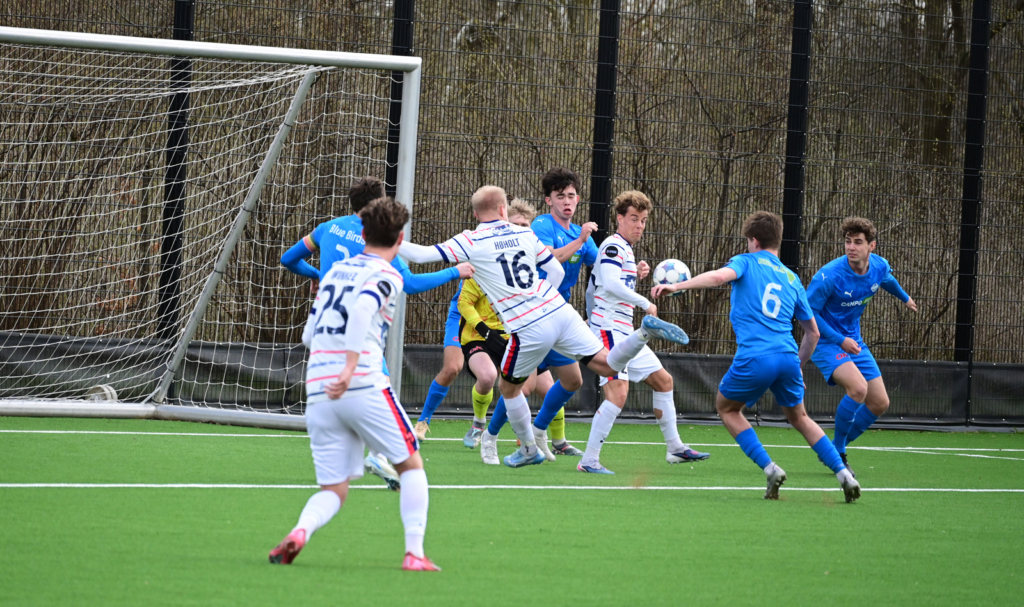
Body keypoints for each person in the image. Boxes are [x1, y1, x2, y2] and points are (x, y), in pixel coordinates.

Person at [399, 185, 691, 468]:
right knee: (607, 365)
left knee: (509, 387)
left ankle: (528, 449)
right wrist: (541, 298)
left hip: (528, 326)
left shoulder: (470, 240)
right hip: (560, 311)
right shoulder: (524, 233)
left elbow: (420, 255)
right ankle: (642, 333)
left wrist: (388, 239)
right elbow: (555, 270)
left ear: (476, 215)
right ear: (503, 210)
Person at [269, 197, 440, 571]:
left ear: (362, 233)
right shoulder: (389, 274)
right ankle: (414, 554)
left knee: (334, 489)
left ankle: (300, 531)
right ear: (400, 240)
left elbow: (308, 336)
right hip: (360, 382)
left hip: (318, 386)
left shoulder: (333, 273)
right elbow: (363, 308)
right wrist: (349, 367)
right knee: (411, 465)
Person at [652, 211, 861, 502]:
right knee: (800, 417)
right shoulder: (792, 278)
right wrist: (799, 365)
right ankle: (843, 474)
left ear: (753, 240)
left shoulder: (745, 262)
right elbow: (813, 333)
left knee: (727, 408)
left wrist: (677, 286)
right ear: (777, 241)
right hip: (787, 356)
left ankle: (770, 468)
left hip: (755, 357)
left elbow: (718, 277)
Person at [280, 176, 473, 490]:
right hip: (362, 328)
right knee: (378, 390)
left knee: (354, 395)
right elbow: (410, 284)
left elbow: (288, 259)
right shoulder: (379, 239)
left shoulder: (327, 228)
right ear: (379, 204)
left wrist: (318, 275)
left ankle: (361, 461)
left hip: (325, 326)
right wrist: (455, 271)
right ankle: (383, 457)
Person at [578, 191, 710, 474]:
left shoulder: (624, 249)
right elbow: (610, 284)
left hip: (624, 332)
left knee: (664, 381)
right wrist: (645, 302)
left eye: (643, 220)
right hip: (609, 331)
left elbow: (600, 285)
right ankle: (588, 460)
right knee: (618, 394)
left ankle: (675, 448)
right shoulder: (613, 246)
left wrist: (635, 273)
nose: (639, 225)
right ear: (620, 218)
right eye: (634, 219)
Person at [480, 169, 595, 463]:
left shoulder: (579, 232)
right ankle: (490, 437)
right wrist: (580, 241)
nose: (566, 201)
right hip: (531, 318)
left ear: (578, 199)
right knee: (523, 386)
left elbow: (601, 264)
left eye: (571, 196)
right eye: (560, 196)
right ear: (549, 200)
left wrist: (631, 268)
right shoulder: (540, 227)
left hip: (559, 318)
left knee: (573, 380)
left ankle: (539, 430)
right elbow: (553, 258)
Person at [807, 217, 917, 475]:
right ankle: (839, 454)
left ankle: (832, 448)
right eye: (848, 241)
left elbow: (886, 279)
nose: (851, 247)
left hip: (854, 342)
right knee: (858, 389)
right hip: (825, 342)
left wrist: (905, 298)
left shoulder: (879, 266)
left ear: (871, 246)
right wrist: (839, 339)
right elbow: (809, 315)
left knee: (879, 403)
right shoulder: (828, 276)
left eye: (858, 242)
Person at [458, 199, 539, 449]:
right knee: (487, 376)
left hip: (512, 336)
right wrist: (484, 330)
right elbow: (464, 303)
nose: (519, 232)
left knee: (530, 386)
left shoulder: (529, 266)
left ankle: (540, 437)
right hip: (478, 335)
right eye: (515, 226)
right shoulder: (484, 263)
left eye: (525, 227)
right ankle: (478, 424)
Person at [413, 287, 464, 441]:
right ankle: (423, 421)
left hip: (497, 319)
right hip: (462, 315)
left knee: (508, 372)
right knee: (451, 369)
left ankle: (522, 428)